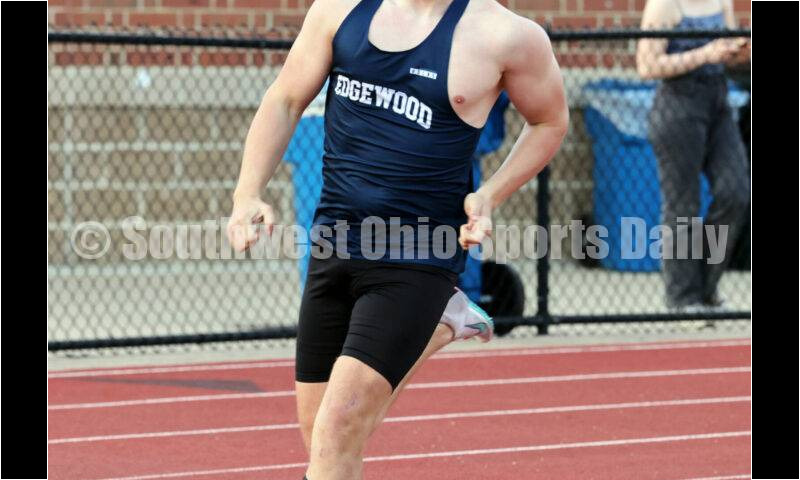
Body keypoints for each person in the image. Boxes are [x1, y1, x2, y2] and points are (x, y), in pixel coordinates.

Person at [226, 0, 568, 477]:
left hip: (419, 255)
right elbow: (285, 98)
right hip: (334, 243)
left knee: (338, 427)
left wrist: (490, 194)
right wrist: (247, 192)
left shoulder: (503, 35)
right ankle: (442, 324)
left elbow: (550, 121)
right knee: (323, 434)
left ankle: (437, 313)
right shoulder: (340, 11)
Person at [637, 0, 750, 311]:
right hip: (679, 103)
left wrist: (738, 53)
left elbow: (728, 54)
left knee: (735, 193)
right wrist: (705, 54)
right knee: (682, 208)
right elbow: (647, 66)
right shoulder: (664, 6)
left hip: (718, 100)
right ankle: (683, 298)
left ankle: (706, 287)